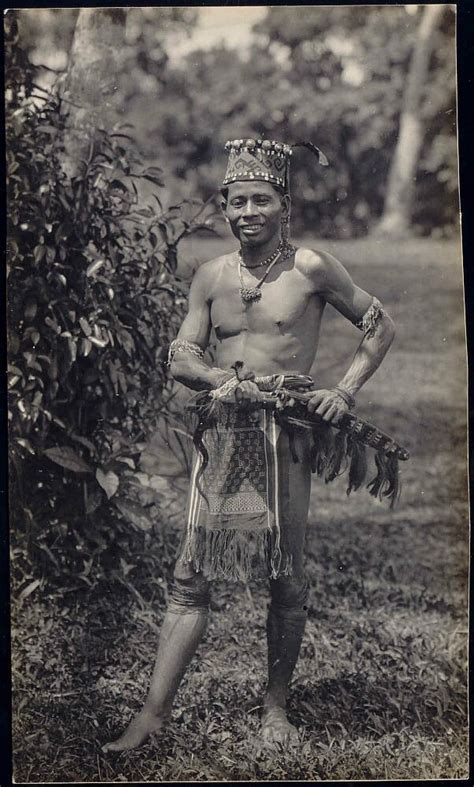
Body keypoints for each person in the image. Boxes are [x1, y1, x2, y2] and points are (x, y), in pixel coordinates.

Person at [103, 137, 395, 753]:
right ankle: (151, 716)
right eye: (237, 202)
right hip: (225, 434)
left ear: (283, 204)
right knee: (190, 575)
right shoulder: (211, 276)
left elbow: (379, 324)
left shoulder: (311, 268)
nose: (247, 213)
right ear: (226, 207)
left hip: (284, 437)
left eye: (260, 200)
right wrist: (224, 380)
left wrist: (342, 393)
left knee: (286, 576)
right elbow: (182, 355)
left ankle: (276, 712)